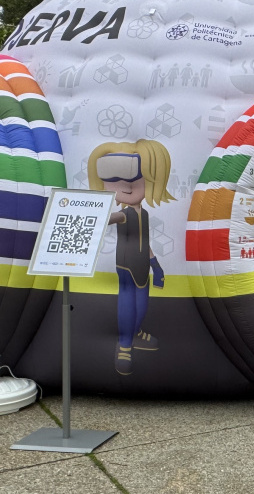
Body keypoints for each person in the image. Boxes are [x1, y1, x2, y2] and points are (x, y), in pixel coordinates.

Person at [89, 140, 176, 375]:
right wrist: (94, 213)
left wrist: (156, 265)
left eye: (135, 178)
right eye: (113, 179)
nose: (125, 186)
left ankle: (135, 333)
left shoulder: (144, 214)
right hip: (126, 266)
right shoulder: (125, 214)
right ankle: (125, 344)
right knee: (128, 302)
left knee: (143, 303)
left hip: (143, 267)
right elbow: (111, 218)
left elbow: (145, 243)